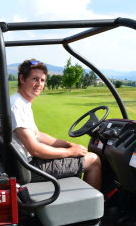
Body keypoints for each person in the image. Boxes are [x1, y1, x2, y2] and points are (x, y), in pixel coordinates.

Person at [10, 59, 102, 190]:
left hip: (26, 163)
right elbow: (34, 149)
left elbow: (38, 135)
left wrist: (68, 144)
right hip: (30, 167)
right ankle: (97, 207)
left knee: (82, 156)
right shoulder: (17, 105)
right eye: (35, 79)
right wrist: (70, 152)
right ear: (22, 79)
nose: (39, 84)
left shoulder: (21, 102)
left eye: (42, 80)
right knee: (93, 160)